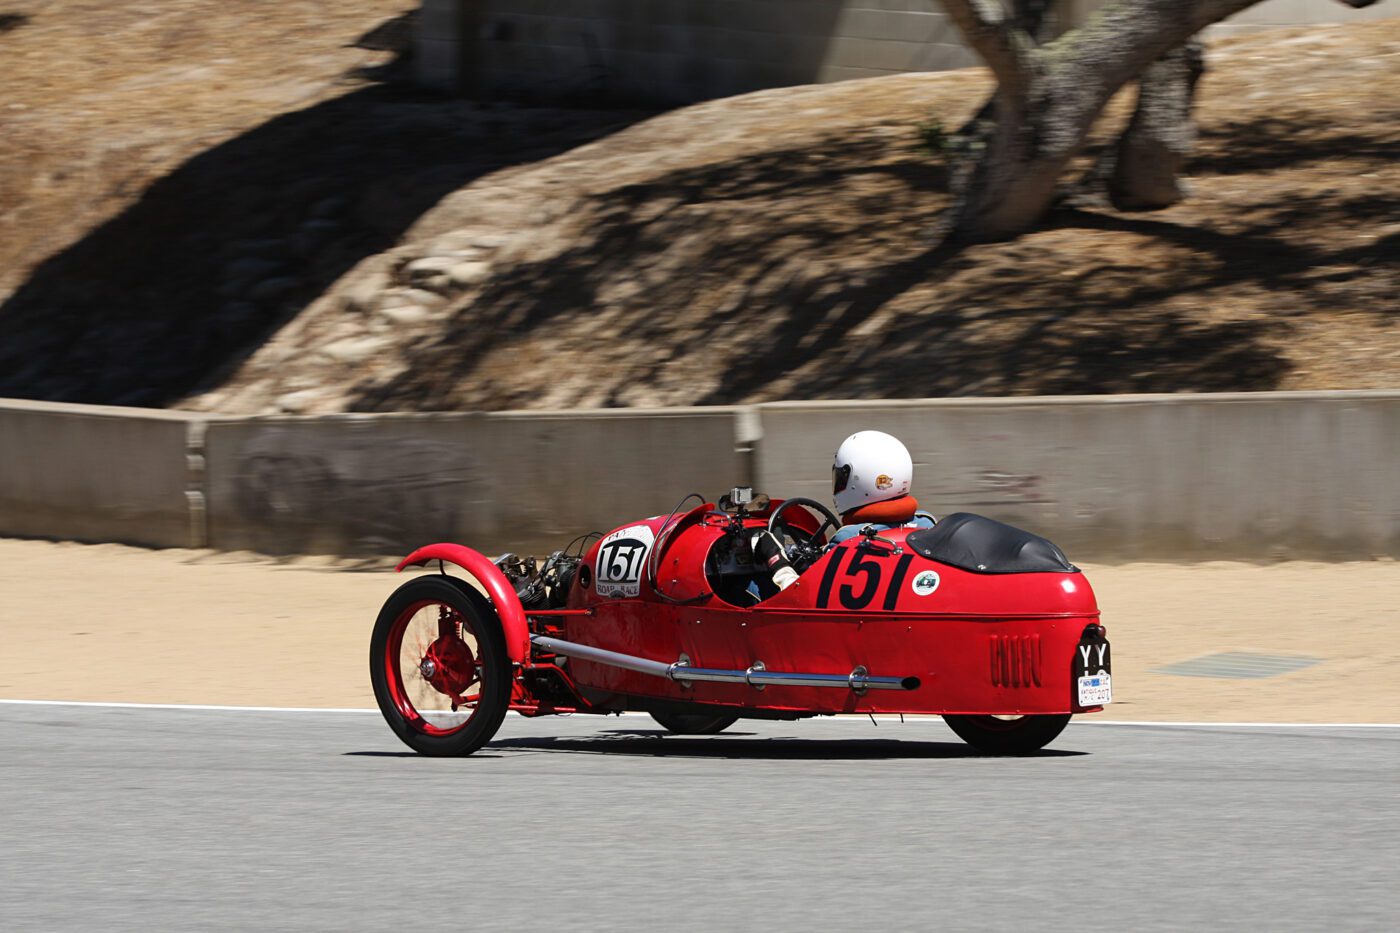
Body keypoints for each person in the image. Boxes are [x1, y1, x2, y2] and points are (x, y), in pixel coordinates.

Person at [755, 430, 935, 591]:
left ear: (857, 479)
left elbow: (803, 595)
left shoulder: (848, 539)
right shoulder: (927, 524)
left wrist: (776, 560)